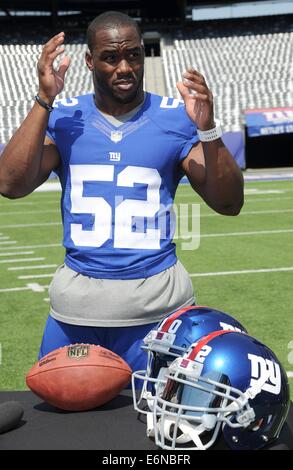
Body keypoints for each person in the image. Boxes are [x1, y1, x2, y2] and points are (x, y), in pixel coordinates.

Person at [0, 11, 244, 373]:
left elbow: (228, 202)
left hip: (159, 310)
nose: (124, 67)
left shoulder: (177, 117)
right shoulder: (65, 116)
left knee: (163, 425)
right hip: (76, 311)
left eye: (133, 55)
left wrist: (207, 128)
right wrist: (43, 98)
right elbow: (10, 184)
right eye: (111, 57)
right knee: (63, 425)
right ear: (89, 61)